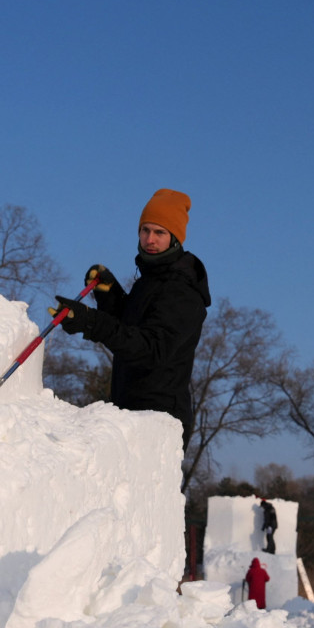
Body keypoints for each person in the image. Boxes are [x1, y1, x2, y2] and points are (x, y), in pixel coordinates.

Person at [52, 189, 211, 451]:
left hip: (159, 418)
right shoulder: (150, 281)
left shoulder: (182, 291)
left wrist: (92, 322)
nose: (150, 239)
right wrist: (110, 295)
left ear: (175, 238)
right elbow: (129, 331)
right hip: (130, 408)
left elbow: (151, 349)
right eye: (145, 230)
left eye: (160, 232)